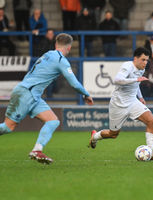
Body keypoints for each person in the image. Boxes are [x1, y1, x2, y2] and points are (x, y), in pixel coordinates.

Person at [0, 33, 94, 164]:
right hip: (26, 94)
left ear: (56, 44)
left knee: (53, 121)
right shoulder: (61, 60)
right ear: (69, 48)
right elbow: (74, 83)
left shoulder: (48, 54)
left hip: (33, 96)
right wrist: (86, 94)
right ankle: (36, 150)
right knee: (7, 127)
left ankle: (37, 150)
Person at [88, 47, 153, 161]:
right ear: (135, 58)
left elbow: (137, 84)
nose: (145, 63)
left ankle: (150, 151)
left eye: (147, 60)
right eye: (143, 60)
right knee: (113, 134)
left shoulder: (141, 69)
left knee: (151, 121)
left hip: (132, 102)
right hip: (118, 104)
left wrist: (141, 97)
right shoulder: (127, 66)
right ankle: (95, 137)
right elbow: (118, 80)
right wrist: (136, 79)